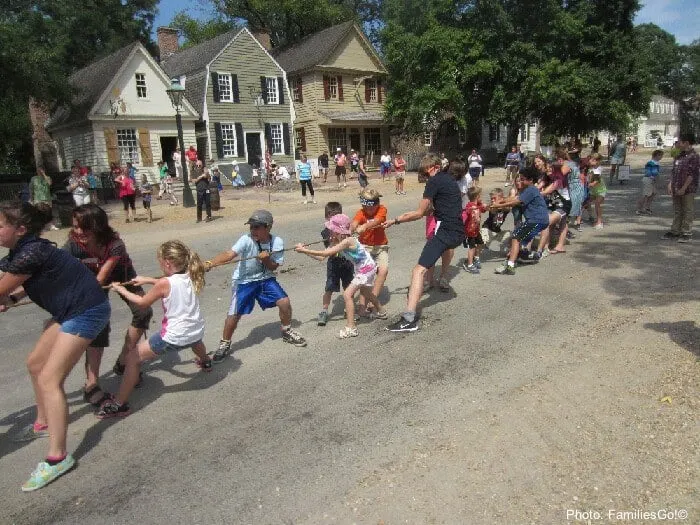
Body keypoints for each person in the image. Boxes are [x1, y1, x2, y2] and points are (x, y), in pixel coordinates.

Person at [0, 201, 111, 491]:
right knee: (35, 364)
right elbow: (29, 279)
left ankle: (57, 457)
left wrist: (4, 295)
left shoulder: (31, 253)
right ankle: (45, 420)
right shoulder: (26, 251)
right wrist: (10, 299)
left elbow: (5, 284)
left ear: (20, 229)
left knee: (50, 378)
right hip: (69, 310)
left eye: (0, 226)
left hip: (87, 310)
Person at [97, 240, 211, 419]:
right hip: (196, 330)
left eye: (160, 263)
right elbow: (168, 283)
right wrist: (147, 280)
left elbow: (143, 303)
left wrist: (120, 289)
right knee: (195, 340)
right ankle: (205, 362)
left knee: (133, 357)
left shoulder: (164, 283)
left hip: (174, 336)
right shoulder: (190, 273)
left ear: (167, 262)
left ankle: (119, 404)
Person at [64, 204, 153, 406]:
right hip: (91, 285)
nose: (79, 232)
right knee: (99, 325)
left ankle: (124, 361)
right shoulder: (72, 245)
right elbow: (58, 270)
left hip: (121, 277)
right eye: (76, 227)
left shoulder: (115, 244)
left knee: (143, 311)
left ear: (98, 227)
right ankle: (91, 382)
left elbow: (103, 277)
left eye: (84, 227)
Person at [207, 210, 307, 362]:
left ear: (268, 227)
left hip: (265, 278)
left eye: (256, 227)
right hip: (244, 281)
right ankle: (224, 343)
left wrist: (266, 260)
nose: (252, 230)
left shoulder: (277, 242)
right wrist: (210, 263)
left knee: (284, 302)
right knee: (234, 314)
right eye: (251, 227)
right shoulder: (246, 239)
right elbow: (229, 254)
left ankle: (286, 330)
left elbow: (274, 267)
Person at [383, 154, 465, 332]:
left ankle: (409, 319)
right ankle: (437, 280)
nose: (425, 178)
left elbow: (420, 213)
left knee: (418, 271)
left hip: (446, 230)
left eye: (425, 173)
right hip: (457, 230)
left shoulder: (434, 181)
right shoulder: (448, 179)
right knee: (425, 266)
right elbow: (435, 210)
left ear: (433, 168)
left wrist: (395, 220)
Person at [296, 214, 387, 338]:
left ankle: (351, 327)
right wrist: (305, 250)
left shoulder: (347, 241)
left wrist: (304, 250)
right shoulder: (337, 242)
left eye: (331, 230)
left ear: (338, 231)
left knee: (347, 294)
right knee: (367, 293)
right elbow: (322, 257)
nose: (329, 233)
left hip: (366, 269)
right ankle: (381, 311)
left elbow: (326, 252)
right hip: (367, 267)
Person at [491, 167, 550, 275]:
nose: (521, 181)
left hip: (536, 220)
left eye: (523, 179)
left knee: (516, 238)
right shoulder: (527, 190)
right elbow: (514, 198)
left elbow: (516, 202)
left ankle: (510, 265)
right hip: (539, 220)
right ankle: (520, 256)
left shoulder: (531, 190)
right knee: (519, 239)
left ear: (531, 180)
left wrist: (499, 205)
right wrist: (501, 200)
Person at [351, 188, 390, 315]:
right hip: (365, 248)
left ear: (377, 204)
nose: (369, 211)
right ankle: (362, 306)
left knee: (383, 270)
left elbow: (378, 220)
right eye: (366, 208)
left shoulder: (382, 209)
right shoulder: (361, 212)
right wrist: (351, 229)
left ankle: (372, 299)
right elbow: (354, 223)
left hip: (380, 246)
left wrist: (365, 226)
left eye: (371, 208)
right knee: (365, 276)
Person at [316, 202, 354, 326]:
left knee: (348, 286)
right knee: (329, 287)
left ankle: (348, 308)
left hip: (347, 262)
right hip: (334, 262)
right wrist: (332, 240)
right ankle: (324, 311)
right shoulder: (325, 232)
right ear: (327, 217)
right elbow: (329, 249)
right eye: (332, 217)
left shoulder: (347, 229)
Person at [662, 134, 698, 243]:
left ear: (686, 143)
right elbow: (674, 171)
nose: (677, 144)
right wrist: (670, 184)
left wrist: (684, 187)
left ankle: (686, 232)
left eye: (679, 142)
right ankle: (675, 231)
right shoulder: (679, 155)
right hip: (676, 187)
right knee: (677, 210)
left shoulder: (694, 157)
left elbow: (692, 174)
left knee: (687, 210)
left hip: (687, 189)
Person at [462, 187, 487, 274]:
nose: (482, 197)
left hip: (476, 230)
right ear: (477, 196)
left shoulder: (478, 205)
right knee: (471, 247)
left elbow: (484, 209)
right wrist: (471, 209)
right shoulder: (470, 205)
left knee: (480, 243)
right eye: (480, 195)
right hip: (469, 231)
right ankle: (469, 264)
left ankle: (476, 258)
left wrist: (483, 205)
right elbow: (467, 211)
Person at [637, 149, 664, 215]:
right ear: (657, 155)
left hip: (652, 180)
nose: (661, 157)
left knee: (653, 193)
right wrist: (652, 176)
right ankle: (639, 209)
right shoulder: (651, 163)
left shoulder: (656, 163)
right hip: (648, 179)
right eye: (660, 156)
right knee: (646, 195)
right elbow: (648, 171)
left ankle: (647, 207)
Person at [585, 153, 606, 229]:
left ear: (596, 161)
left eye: (591, 159)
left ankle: (599, 222)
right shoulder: (591, 168)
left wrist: (588, 184)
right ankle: (591, 217)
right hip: (593, 191)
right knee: (586, 202)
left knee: (597, 204)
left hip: (600, 190)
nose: (589, 161)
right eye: (590, 159)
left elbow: (595, 182)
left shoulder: (597, 170)